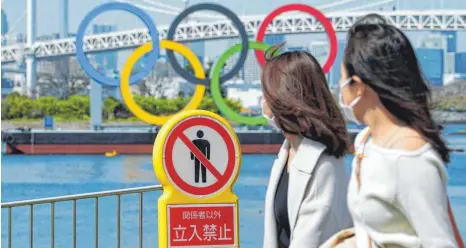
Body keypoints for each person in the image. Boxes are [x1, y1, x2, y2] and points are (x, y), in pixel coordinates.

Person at [338, 22, 464, 247]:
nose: (340, 89)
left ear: (358, 85)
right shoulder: (365, 142)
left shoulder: (410, 158)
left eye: (342, 80)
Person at [261, 43, 353, 248]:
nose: (263, 101)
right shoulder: (289, 152)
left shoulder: (322, 166)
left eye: (266, 92)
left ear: (282, 98)